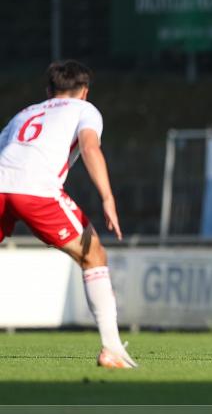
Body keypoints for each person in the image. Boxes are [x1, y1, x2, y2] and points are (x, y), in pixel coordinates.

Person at [0, 60, 137, 369]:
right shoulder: (85, 110)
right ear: (85, 92)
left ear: (49, 91)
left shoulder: (24, 113)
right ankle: (112, 349)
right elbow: (90, 149)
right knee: (94, 256)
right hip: (36, 191)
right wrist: (107, 197)